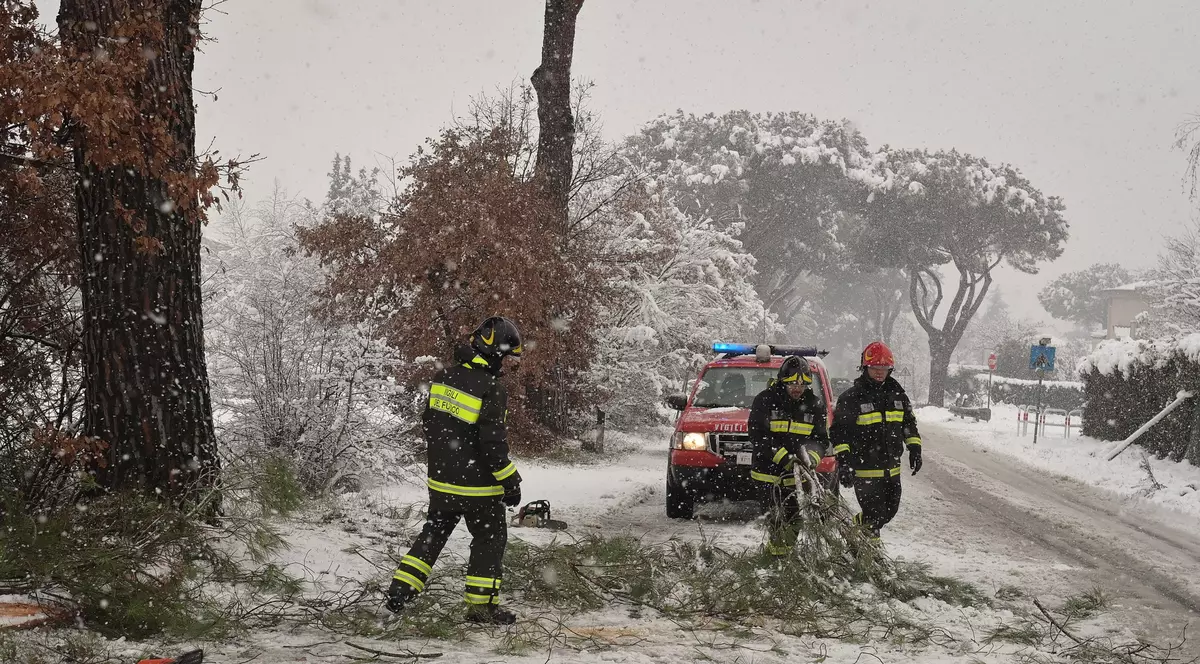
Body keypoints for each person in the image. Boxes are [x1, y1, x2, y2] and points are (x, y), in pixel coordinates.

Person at [385, 316, 524, 625]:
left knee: (432, 535)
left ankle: (399, 593)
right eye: (506, 357)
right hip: (478, 489)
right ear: (494, 352)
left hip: (442, 483)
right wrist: (511, 482)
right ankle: (481, 609)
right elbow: (493, 445)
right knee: (489, 540)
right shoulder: (491, 388)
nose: (506, 364)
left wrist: (449, 463)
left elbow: (430, 425)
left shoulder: (443, 377)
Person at [831, 341, 922, 541]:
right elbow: (840, 432)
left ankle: (858, 527)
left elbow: (909, 423)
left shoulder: (898, 395)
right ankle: (871, 553)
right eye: (875, 367)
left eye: (884, 368)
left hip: (892, 469)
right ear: (865, 367)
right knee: (874, 516)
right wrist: (844, 462)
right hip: (865, 470)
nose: (880, 372)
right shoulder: (851, 398)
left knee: (889, 512)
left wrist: (915, 447)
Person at [747, 356, 829, 556]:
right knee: (777, 520)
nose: (797, 388)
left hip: (796, 476)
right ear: (783, 381)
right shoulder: (765, 400)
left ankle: (780, 557)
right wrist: (783, 457)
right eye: (792, 383)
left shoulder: (815, 405)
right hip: (767, 474)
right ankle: (778, 559)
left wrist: (811, 458)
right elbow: (758, 435)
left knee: (794, 520)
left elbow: (821, 440)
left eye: (801, 384)